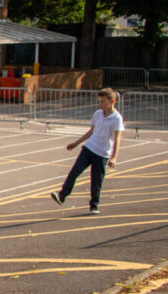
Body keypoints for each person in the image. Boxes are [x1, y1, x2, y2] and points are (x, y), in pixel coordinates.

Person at [51, 87, 124, 215]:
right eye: (99, 102)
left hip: (102, 153)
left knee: (96, 181)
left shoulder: (117, 118)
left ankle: (94, 205)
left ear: (112, 101)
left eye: (103, 102)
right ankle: (62, 195)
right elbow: (91, 132)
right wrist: (76, 143)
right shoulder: (97, 114)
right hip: (89, 148)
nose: (101, 104)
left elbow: (117, 138)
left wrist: (114, 157)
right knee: (74, 171)